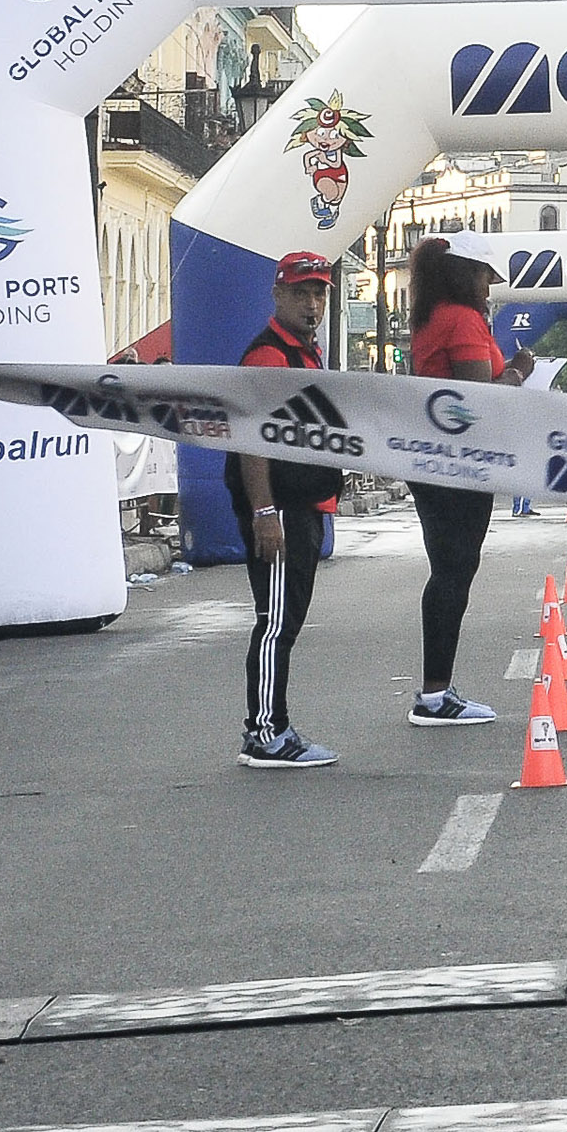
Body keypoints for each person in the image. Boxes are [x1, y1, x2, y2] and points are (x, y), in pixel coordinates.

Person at [407, 232, 537, 725]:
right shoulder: (461, 319)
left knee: (451, 569)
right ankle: (435, 694)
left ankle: (437, 689)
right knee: (454, 571)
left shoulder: (433, 317)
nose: (489, 289)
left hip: (438, 461)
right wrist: (520, 370)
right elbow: (478, 399)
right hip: (457, 464)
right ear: (466, 275)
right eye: (485, 277)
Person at [227, 252, 350, 767]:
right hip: (282, 510)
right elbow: (251, 437)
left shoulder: (305, 353)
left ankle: (271, 727)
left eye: (319, 293)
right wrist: (264, 512)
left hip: (304, 506)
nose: (312, 303)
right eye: (301, 293)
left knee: (286, 620)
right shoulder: (269, 356)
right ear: (278, 295)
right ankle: (265, 732)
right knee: (276, 622)